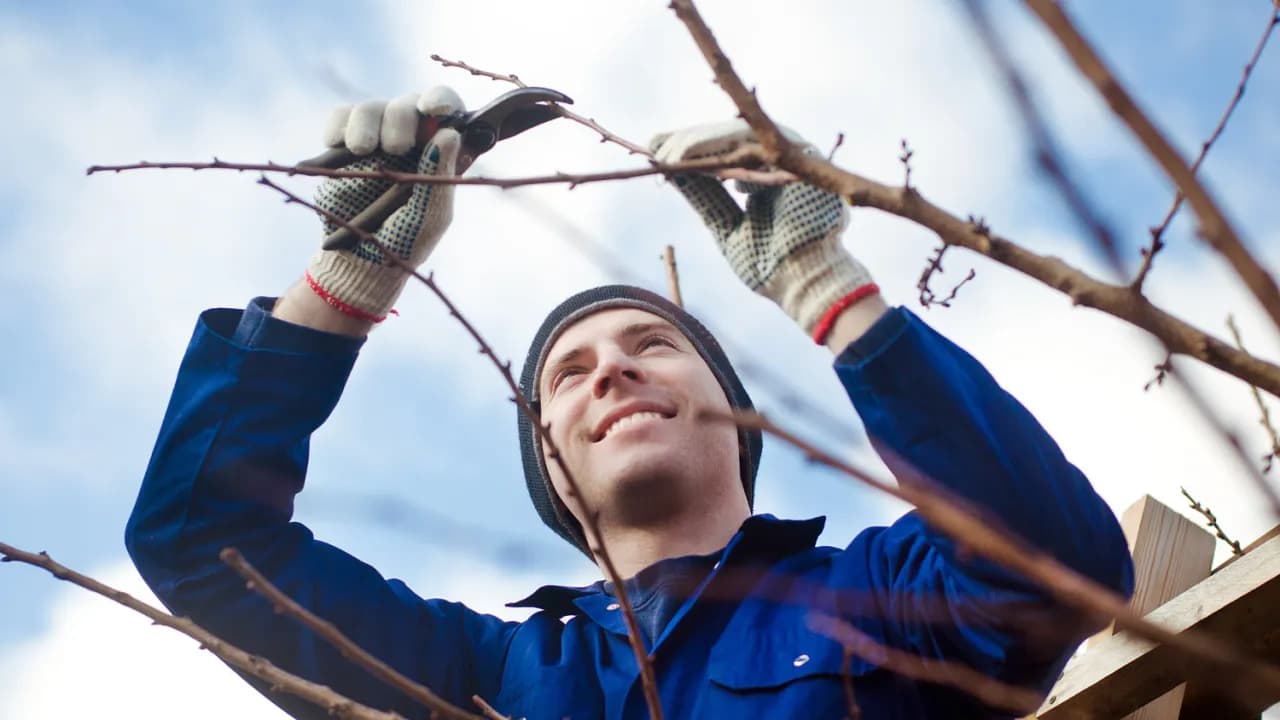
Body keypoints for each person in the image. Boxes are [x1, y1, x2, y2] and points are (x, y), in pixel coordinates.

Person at [126, 86, 1134, 719]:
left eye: (652, 345)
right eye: (566, 375)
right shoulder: (486, 674)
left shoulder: (880, 594)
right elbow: (202, 547)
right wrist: (343, 284)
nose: (609, 371)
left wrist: (826, 290)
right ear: (549, 466)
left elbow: (1058, 565)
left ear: (734, 414)